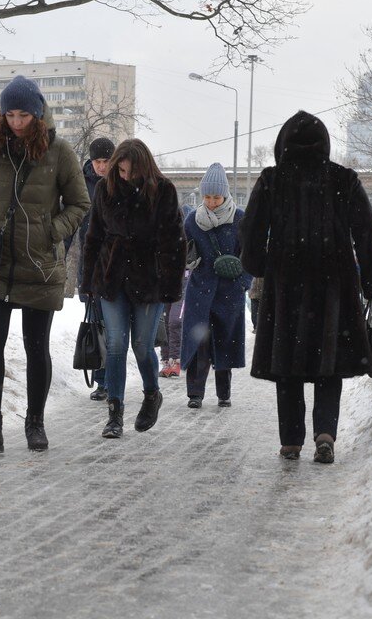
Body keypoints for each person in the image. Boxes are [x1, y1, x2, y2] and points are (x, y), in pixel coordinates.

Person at [240, 111, 372, 464]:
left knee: (287, 366)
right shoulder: (343, 180)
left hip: (285, 286)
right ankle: (325, 433)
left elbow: (252, 231)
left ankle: (291, 440)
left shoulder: (271, 181)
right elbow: (367, 234)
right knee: (329, 365)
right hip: (332, 286)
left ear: (283, 145)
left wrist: (257, 265)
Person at [0, 75, 90, 454]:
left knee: (37, 347)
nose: (16, 122)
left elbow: (80, 203)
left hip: (39, 265)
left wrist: (52, 231)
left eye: (23, 115)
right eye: (10, 114)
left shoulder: (60, 152)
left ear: (37, 114)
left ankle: (35, 423)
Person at [81, 138, 186, 439]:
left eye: (130, 171)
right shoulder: (106, 189)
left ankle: (152, 394)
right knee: (115, 344)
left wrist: (170, 286)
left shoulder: (162, 191)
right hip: (112, 278)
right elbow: (94, 237)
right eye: (121, 170)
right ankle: (115, 413)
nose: (125, 176)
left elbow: (174, 243)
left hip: (148, 281)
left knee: (142, 345)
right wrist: (87, 282)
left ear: (143, 167)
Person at [180, 164, 252, 409]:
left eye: (216, 196)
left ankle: (224, 393)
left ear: (226, 195)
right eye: (207, 197)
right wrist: (188, 260)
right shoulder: (192, 220)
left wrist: (243, 283)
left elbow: (250, 256)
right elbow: (184, 250)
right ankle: (195, 394)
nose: (211, 202)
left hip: (229, 293)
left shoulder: (240, 219)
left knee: (225, 342)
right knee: (198, 342)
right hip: (200, 290)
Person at [79, 137, 115, 401]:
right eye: (97, 161)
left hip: (117, 264)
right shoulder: (80, 183)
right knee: (97, 324)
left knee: (116, 328)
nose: (101, 166)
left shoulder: (122, 179)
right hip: (91, 263)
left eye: (106, 161)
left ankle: (113, 379)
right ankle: (102, 382)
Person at [159, 203, 195, 379]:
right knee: (165, 321)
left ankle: (177, 360)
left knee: (175, 321)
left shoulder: (189, 235)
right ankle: (166, 360)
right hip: (166, 281)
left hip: (185, 280)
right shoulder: (163, 234)